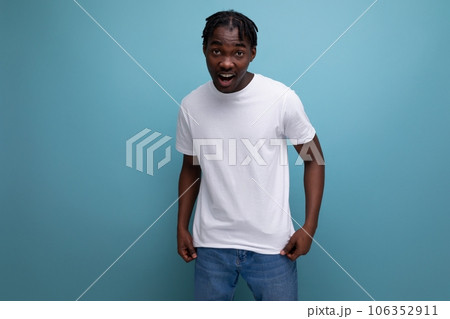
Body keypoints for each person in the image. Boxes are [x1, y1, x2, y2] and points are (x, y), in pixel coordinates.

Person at [176, 10, 325, 301]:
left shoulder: (280, 100)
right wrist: (181, 225)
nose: (226, 62)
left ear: (252, 54)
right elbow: (190, 168)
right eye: (216, 50)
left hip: (272, 247)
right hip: (211, 246)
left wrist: (310, 226)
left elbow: (314, 159)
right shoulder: (191, 105)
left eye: (238, 52)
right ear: (205, 50)